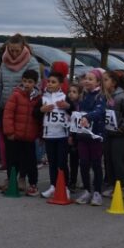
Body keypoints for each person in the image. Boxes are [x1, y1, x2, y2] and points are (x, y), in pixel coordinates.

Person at [0, 34, 40, 171]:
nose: (14, 53)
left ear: (23, 48)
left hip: (22, 109)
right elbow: (0, 84)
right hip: (5, 107)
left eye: (17, 50)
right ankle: (11, 176)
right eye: (11, 50)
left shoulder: (31, 62)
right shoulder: (4, 61)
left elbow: (36, 86)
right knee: (9, 145)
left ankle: (22, 175)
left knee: (22, 146)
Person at [1, 69, 42, 196]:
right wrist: (9, 131)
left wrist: (39, 134)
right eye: (25, 81)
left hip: (29, 136)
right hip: (15, 135)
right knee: (12, 159)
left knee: (29, 160)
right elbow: (8, 114)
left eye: (30, 82)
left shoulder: (38, 98)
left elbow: (39, 117)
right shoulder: (16, 95)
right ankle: (10, 179)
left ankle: (25, 180)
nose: (27, 84)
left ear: (35, 83)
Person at [101, 70, 124, 198]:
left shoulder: (121, 96)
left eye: (105, 80)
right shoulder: (104, 96)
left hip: (119, 134)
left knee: (117, 160)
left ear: (114, 82)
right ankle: (112, 185)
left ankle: (123, 186)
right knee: (108, 159)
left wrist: (123, 127)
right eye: (102, 80)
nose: (103, 83)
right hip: (107, 132)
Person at [75, 69, 107, 206]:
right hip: (83, 135)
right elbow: (77, 113)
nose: (87, 81)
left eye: (90, 79)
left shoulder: (100, 96)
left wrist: (87, 116)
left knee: (96, 163)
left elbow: (99, 111)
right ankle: (87, 190)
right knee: (83, 163)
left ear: (98, 82)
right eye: (85, 78)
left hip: (95, 136)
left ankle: (97, 192)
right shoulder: (83, 96)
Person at [38, 71, 72, 199]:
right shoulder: (44, 97)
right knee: (52, 162)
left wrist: (67, 106)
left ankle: (65, 187)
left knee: (62, 162)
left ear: (61, 84)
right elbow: (35, 112)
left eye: (53, 82)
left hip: (62, 135)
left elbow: (74, 110)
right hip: (49, 135)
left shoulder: (65, 96)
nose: (50, 84)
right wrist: (42, 110)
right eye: (49, 82)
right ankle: (53, 186)